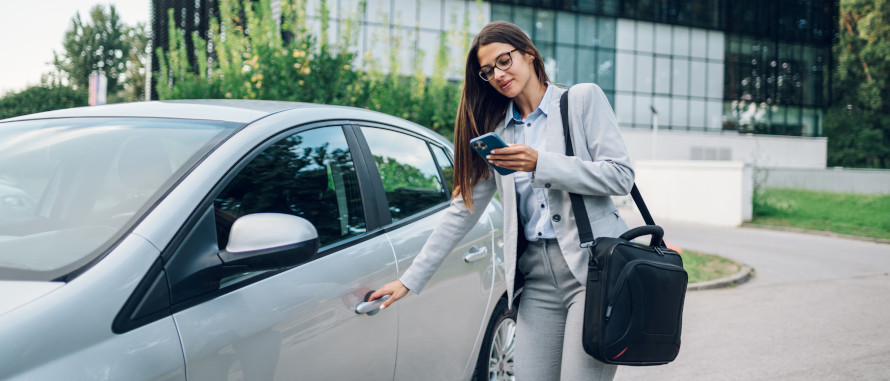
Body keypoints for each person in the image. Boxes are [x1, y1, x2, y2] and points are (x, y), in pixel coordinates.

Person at [369, 21, 634, 381]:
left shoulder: (581, 100)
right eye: (487, 71)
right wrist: (410, 279)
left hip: (593, 271)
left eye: (504, 61)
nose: (498, 74)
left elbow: (620, 175)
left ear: (529, 54)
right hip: (536, 280)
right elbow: (462, 210)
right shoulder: (498, 132)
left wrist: (541, 162)